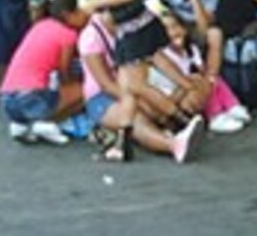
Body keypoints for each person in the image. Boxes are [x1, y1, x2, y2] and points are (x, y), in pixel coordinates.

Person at [83, 0, 205, 162]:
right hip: (144, 18)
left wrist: (98, 3)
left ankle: (180, 122)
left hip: (130, 25)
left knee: (136, 85)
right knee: (128, 88)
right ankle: (122, 144)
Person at [79, 9, 207, 163]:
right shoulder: (91, 38)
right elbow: (106, 85)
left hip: (138, 87)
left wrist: (187, 84)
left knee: (190, 84)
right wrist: (140, 103)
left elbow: (159, 59)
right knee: (134, 117)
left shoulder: (132, 27)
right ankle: (173, 145)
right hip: (103, 97)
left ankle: (175, 123)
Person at [0, 0, 88, 145]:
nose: (87, 17)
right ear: (69, 14)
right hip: (31, 98)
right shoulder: (68, 34)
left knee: (47, 89)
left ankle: (21, 125)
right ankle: (46, 121)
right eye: (83, 13)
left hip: (7, 99)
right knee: (85, 91)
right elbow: (64, 71)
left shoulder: (40, 25)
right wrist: (72, 86)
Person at [156, 9, 250, 135]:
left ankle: (231, 105)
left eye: (175, 26)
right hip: (179, 90)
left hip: (195, 84)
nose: (173, 32)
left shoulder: (191, 49)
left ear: (184, 29)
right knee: (199, 80)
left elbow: (202, 69)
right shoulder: (164, 54)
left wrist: (207, 78)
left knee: (212, 78)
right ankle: (214, 115)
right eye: (166, 29)